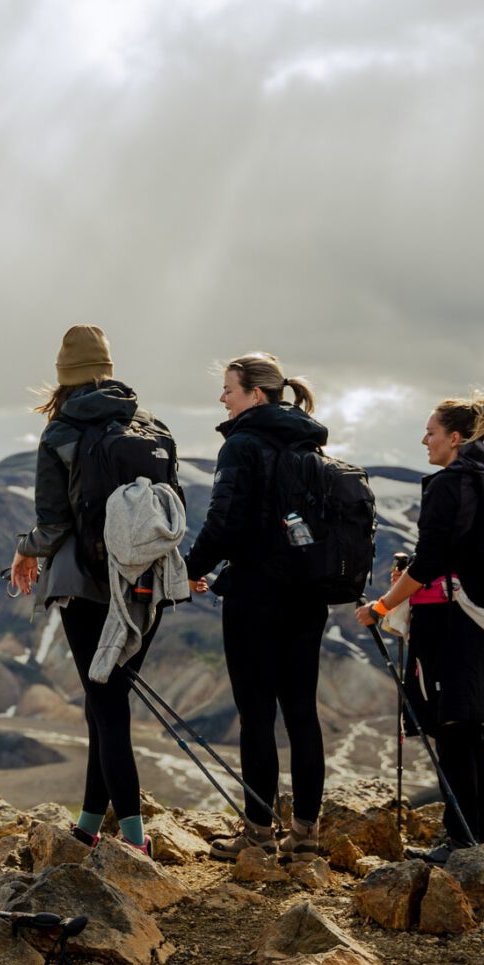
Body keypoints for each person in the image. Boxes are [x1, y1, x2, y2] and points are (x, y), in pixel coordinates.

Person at [9, 325, 176, 855]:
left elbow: (53, 525)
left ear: (63, 378)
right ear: (108, 369)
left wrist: (24, 549)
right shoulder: (151, 426)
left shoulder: (60, 434)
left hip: (85, 586)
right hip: (145, 585)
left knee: (106, 708)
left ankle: (132, 841)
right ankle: (87, 825)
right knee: (106, 702)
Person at [355, 391, 484, 861]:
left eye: (431, 433)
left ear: (454, 438)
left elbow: (432, 561)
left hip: (445, 626)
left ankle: (460, 840)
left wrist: (382, 605)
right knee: (469, 730)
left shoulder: (446, 486)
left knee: (452, 730)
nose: (424, 440)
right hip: (477, 619)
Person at [184, 352, 330, 861]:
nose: (223, 398)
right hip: (308, 597)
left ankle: (258, 835)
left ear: (255, 395)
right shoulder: (311, 443)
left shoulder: (241, 445)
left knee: (256, 717)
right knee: (302, 714)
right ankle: (308, 836)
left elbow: (225, 520)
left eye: (229, 389)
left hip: (255, 597)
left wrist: (191, 567)